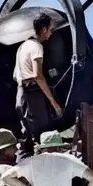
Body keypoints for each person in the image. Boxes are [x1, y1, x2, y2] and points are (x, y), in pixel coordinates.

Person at [14, 12, 62, 158]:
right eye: (50, 29)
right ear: (44, 29)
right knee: (41, 138)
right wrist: (54, 104)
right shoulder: (36, 47)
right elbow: (38, 76)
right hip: (33, 94)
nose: (51, 33)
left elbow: (15, 75)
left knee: (27, 138)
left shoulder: (22, 47)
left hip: (21, 94)